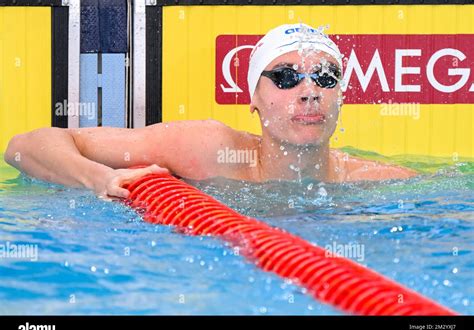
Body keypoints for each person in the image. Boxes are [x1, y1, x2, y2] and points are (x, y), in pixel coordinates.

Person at [4, 23, 417, 199]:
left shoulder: (380, 184)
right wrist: (102, 178)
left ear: (341, 96)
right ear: (252, 98)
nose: (309, 92)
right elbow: (24, 147)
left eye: (326, 78)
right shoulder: (207, 150)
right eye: (287, 77)